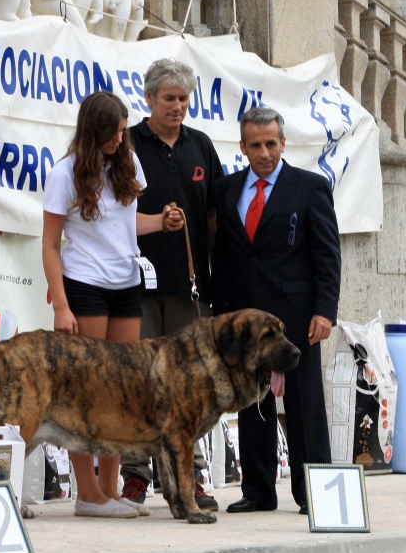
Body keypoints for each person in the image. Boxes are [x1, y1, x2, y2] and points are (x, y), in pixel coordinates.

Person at [42, 90, 183, 518]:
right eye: (113, 132)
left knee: (121, 391)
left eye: (123, 130)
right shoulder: (64, 173)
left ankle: (110, 489)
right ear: (93, 130)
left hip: (126, 283)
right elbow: (49, 245)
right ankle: (87, 494)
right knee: (84, 390)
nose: (121, 139)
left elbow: (126, 222)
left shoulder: (128, 162)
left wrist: (161, 221)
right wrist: (62, 306)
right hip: (84, 283)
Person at [212, 106, 341, 515]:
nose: (264, 152)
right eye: (256, 144)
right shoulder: (227, 190)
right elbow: (224, 256)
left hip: (296, 319)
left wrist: (325, 310)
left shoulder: (309, 188)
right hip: (245, 324)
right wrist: (220, 314)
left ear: (283, 143)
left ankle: (314, 493)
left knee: (304, 406)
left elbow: (327, 255)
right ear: (243, 146)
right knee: (253, 404)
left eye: (271, 143)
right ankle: (259, 491)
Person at [120, 58, 224, 511]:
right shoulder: (126, 142)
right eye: (169, 98)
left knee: (190, 386)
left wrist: (216, 279)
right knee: (137, 381)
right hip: (134, 285)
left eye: (183, 98)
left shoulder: (201, 145)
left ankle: (191, 476)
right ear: (149, 99)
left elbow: (217, 217)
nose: (177, 106)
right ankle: (136, 477)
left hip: (190, 289)